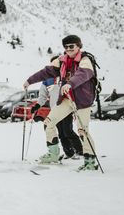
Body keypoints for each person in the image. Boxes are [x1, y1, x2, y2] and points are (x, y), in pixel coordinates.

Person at [24, 35, 98, 171]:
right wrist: (29, 81)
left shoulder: (85, 60)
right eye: (66, 47)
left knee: (83, 130)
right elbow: (45, 72)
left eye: (72, 46)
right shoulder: (62, 61)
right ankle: (53, 154)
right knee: (49, 123)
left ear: (78, 46)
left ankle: (90, 161)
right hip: (66, 99)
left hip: (82, 101)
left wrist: (70, 84)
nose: (69, 49)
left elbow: (83, 74)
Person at [32, 57, 83, 159]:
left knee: (67, 131)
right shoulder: (47, 79)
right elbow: (43, 95)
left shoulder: (66, 75)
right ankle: (69, 153)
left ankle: (80, 151)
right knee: (61, 133)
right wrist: (37, 105)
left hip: (66, 108)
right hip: (54, 110)